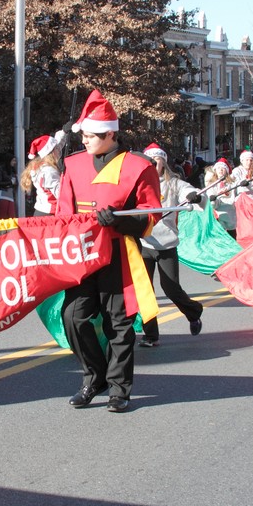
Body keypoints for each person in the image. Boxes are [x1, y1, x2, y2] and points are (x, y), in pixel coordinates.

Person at [57, 90, 161, 413]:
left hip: (118, 253)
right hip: (83, 254)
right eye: (84, 135)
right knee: (73, 317)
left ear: (110, 134)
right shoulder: (73, 166)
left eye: (90, 135)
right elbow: (63, 213)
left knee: (119, 324)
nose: (84, 141)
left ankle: (120, 389)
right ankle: (94, 376)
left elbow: (151, 214)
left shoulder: (139, 167)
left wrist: (120, 222)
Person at [137, 143, 205, 347]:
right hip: (143, 242)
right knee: (144, 291)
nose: (152, 166)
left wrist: (194, 196)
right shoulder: (138, 184)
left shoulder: (173, 183)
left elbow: (189, 191)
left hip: (166, 243)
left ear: (163, 163)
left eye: (156, 162)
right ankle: (151, 335)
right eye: (149, 162)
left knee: (171, 287)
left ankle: (193, 313)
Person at [20, 132, 63, 216]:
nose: (59, 150)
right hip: (50, 213)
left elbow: (56, 145)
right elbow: (61, 194)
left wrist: (64, 132)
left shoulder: (39, 166)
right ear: (53, 152)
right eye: (57, 149)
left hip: (42, 210)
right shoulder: (49, 171)